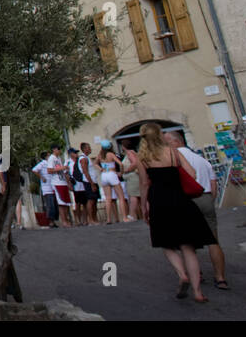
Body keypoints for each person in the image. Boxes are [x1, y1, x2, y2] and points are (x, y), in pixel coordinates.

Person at [138, 122, 213, 303]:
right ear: (159, 134)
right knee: (188, 247)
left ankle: (182, 274)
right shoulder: (173, 152)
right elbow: (192, 173)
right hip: (180, 199)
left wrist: (143, 206)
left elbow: (144, 184)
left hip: (159, 201)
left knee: (166, 243)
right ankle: (197, 292)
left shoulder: (143, 158)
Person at [165, 130, 228, 290]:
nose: (164, 145)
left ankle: (196, 274)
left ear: (176, 142)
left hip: (186, 200)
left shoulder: (173, 158)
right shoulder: (202, 159)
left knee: (187, 243)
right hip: (205, 197)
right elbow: (213, 184)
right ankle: (220, 277)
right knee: (213, 240)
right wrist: (210, 200)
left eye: (167, 142)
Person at [98, 143, 130, 224]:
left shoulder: (100, 155)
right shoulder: (110, 154)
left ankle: (108, 219)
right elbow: (120, 163)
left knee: (108, 198)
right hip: (112, 173)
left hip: (104, 175)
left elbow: (95, 163)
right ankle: (124, 217)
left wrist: (100, 168)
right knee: (121, 197)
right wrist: (121, 173)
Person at [46, 145, 74, 227]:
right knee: (61, 203)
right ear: (54, 149)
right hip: (57, 182)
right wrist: (61, 168)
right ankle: (64, 221)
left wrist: (68, 182)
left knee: (66, 202)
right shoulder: (51, 158)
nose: (59, 151)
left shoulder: (58, 159)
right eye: (58, 149)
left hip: (63, 182)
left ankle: (67, 219)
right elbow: (49, 170)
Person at [32, 155, 58, 227]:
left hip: (53, 186)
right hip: (47, 188)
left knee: (54, 205)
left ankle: (54, 221)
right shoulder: (42, 163)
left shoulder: (51, 164)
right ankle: (50, 222)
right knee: (50, 205)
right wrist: (42, 177)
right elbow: (34, 170)